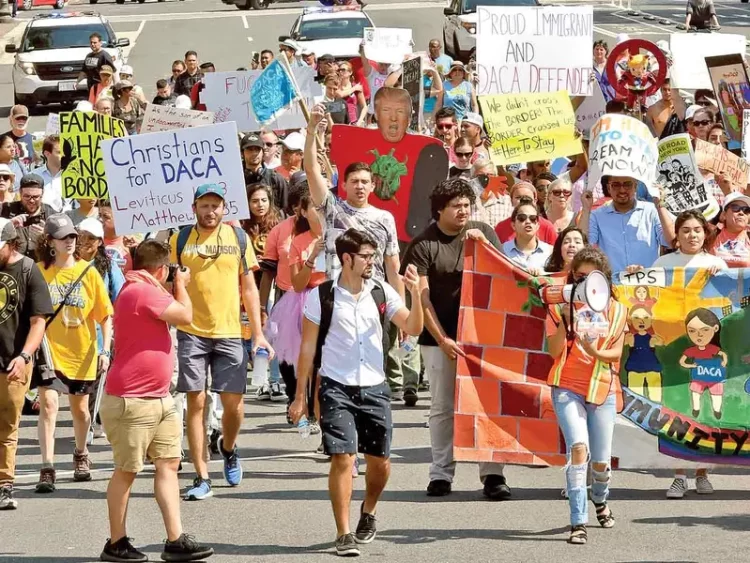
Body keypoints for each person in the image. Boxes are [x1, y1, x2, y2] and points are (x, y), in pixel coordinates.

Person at [290, 228, 423, 557]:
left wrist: (417, 295)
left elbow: (413, 328)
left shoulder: (381, 292)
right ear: (347, 258)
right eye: (366, 256)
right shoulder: (321, 296)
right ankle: (344, 532)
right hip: (336, 386)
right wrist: (300, 396)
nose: (372, 262)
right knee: (343, 458)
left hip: (375, 387)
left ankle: (369, 510)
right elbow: (307, 349)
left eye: (373, 256)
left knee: (380, 463)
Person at [98, 240, 214, 563]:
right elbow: (186, 315)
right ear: (161, 269)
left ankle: (175, 539)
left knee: (168, 465)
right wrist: (181, 285)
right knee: (127, 470)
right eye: (169, 271)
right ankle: (116, 542)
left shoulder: (144, 288)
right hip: (131, 400)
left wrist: (173, 284)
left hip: (159, 398)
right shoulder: (140, 291)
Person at [402, 178, 509, 499]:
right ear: (439, 211)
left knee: (488, 406)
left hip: (482, 338)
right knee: (443, 407)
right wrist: (443, 338)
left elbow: (506, 277)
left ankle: (493, 474)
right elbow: (422, 297)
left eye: (467, 204)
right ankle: (440, 474)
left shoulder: (483, 233)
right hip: (439, 339)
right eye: (456, 206)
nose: (463, 211)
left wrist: (486, 249)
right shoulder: (423, 244)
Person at [305, 106, 416, 402]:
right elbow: (311, 170)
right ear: (345, 184)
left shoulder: (385, 218)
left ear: (373, 185)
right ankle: (325, 420)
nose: (359, 186)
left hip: (374, 299)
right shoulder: (332, 208)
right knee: (328, 360)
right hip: (337, 296)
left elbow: (393, 267)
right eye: (354, 181)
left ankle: (368, 413)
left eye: (365, 181)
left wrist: (401, 309)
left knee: (371, 360)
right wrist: (312, 131)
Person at [169, 184, 273, 501]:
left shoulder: (237, 238)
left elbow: (250, 289)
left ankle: (228, 447)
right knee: (195, 403)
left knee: (234, 407)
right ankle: (202, 475)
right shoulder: (180, 239)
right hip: (191, 331)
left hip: (229, 332)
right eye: (204, 205)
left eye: (215, 205)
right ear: (194, 208)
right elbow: (167, 283)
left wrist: (258, 333)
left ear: (224, 209)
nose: (210, 211)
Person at [546, 247, 626, 544]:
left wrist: (594, 351)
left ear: (603, 279)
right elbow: (553, 352)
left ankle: (600, 499)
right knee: (578, 448)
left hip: (602, 388)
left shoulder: (618, 310)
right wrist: (565, 322)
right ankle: (577, 521)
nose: (583, 283)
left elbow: (617, 352)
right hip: (566, 387)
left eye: (590, 276)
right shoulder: (559, 307)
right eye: (578, 276)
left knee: (601, 462)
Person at [33, 214, 113, 493]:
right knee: (49, 406)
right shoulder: (39, 272)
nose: (70, 242)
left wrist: (105, 349)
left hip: (84, 351)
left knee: (80, 411)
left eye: (73, 237)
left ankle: (80, 453)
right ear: (50, 242)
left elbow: (105, 317)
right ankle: (47, 467)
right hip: (50, 353)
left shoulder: (89, 273)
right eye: (64, 237)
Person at [0, 218, 52, 510]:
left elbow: (38, 322)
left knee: (6, 426)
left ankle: (4, 484)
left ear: (12, 244)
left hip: (13, 361)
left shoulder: (28, 270)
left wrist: (24, 356)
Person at [76, 217, 125, 440]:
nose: (84, 242)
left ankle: (93, 422)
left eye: (90, 238)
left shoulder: (108, 265)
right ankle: (85, 422)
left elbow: (121, 296)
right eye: (81, 236)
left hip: (99, 336)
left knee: (97, 384)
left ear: (99, 242)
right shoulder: (65, 262)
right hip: (71, 334)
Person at [241, 183, 284, 402]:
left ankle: (275, 380)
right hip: (246, 288)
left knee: (271, 334)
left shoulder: (279, 224)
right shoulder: (240, 227)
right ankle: (260, 381)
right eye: (255, 201)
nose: (260, 205)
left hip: (272, 286)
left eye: (264, 200)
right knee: (250, 335)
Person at [587, 175, 674, 273]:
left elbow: (671, 241)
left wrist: (660, 205)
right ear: (608, 188)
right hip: (613, 284)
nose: (622, 190)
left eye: (627, 184)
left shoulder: (652, 211)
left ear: (635, 186)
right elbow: (585, 246)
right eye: (616, 185)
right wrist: (586, 209)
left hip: (648, 282)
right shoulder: (596, 216)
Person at [1, 174, 53, 259]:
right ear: (20, 193)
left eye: (36, 197)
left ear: (42, 193)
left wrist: (48, 236)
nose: (31, 201)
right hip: (12, 266)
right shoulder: (6, 210)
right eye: (27, 196)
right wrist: (7, 224)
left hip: (41, 267)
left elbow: (66, 242)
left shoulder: (51, 214)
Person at [502, 198, 554, 276]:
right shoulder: (502, 250)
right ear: (513, 225)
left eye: (533, 218)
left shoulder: (550, 252)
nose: (528, 221)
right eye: (522, 218)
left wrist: (542, 275)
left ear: (538, 226)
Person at [241, 134, 289, 213]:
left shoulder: (276, 179)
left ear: (262, 152)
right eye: (250, 149)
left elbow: (286, 209)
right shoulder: (237, 180)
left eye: (257, 149)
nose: (254, 153)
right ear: (242, 153)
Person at [713, 192, 750, 268]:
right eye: (735, 208)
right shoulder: (712, 235)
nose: (741, 212)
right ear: (724, 215)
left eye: (746, 210)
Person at [337, 61, 368, 127]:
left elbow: (364, 107)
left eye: (343, 70)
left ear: (350, 72)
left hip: (353, 122)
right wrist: (354, 89)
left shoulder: (356, 87)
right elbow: (340, 95)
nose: (340, 72)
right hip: (339, 122)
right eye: (339, 70)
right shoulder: (336, 87)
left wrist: (359, 121)